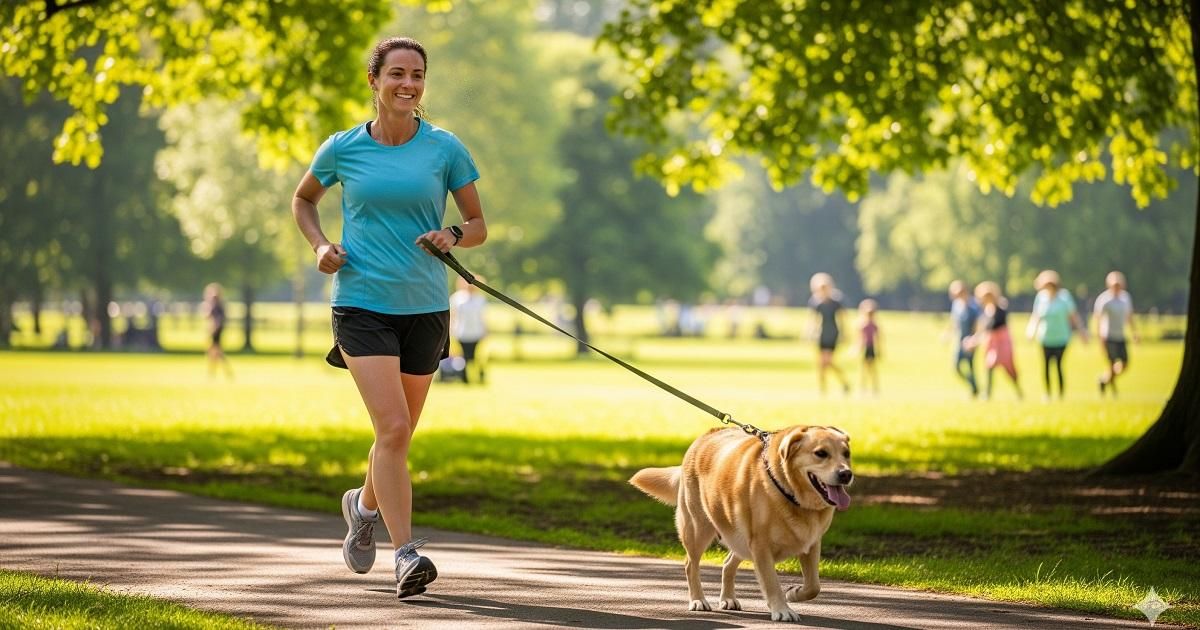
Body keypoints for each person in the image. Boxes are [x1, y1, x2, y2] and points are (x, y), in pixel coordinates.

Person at [290, 36, 486, 599]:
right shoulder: (343, 148)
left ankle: (363, 505)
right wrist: (319, 245)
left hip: (425, 307)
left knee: (396, 436)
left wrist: (451, 234)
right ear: (374, 80)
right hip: (361, 303)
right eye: (397, 73)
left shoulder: (445, 148)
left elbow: (477, 224)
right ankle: (406, 554)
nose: (408, 84)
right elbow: (303, 200)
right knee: (394, 429)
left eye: (417, 75)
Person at [1026, 270, 1088, 400]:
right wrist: (1031, 331)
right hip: (1045, 338)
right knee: (1046, 366)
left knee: (1059, 365)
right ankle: (1048, 393)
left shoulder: (1064, 297)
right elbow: (1036, 316)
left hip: (1061, 338)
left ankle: (1060, 394)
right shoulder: (1041, 297)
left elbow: (1073, 316)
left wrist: (1082, 331)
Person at [968, 281, 1023, 400]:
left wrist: (978, 338)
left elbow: (994, 325)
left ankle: (1018, 391)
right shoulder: (986, 310)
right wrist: (974, 339)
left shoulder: (1000, 308)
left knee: (1008, 368)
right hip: (992, 342)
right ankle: (988, 393)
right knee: (990, 365)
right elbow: (983, 328)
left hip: (1002, 342)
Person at [1094, 270, 1139, 397]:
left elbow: (1129, 316)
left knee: (1124, 364)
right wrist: (1100, 338)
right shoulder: (1104, 299)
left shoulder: (1126, 298)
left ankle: (1104, 380)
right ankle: (1112, 390)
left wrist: (1134, 332)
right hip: (1108, 336)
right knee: (1112, 363)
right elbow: (1098, 319)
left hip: (1120, 335)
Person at [809, 272, 850, 395]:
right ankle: (824, 388)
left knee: (826, 361)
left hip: (832, 334)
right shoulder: (817, 303)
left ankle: (842, 382)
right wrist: (811, 333)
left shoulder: (835, 302)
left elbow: (842, 318)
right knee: (822, 363)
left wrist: (844, 333)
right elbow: (813, 320)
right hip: (821, 335)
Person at [450, 276, 488, 384]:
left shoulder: (480, 299)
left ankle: (480, 376)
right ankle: (464, 378)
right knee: (463, 357)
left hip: (477, 332)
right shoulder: (457, 298)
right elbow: (453, 316)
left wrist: (486, 331)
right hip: (462, 333)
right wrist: (451, 330)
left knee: (478, 357)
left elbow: (483, 317)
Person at [947, 280, 981, 398]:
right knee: (956, 366)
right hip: (959, 340)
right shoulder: (956, 305)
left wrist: (974, 340)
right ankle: (974, 385)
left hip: (970, 341)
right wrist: (948, 334)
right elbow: (954, 322)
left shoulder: (973, 306)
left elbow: (978, 325)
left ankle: (974, 390)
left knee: (971, 366)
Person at [200, 283, 232, 379]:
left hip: (216, 331)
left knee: (216, 352)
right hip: (215, 330)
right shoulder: (219, 305)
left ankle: (215, 372)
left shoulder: (216, 306)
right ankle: (214, 372)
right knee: (214, 352)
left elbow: (214, 318)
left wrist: (213, 329)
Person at [857, 298, 881, 395]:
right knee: (864, 369)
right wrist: (858, 348)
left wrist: (879, 350)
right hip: (866, 348)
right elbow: (860, 339)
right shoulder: (863, 325)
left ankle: (874, 387)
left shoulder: (874, 326)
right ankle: (863, 387)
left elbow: (878, 338)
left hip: (871, 348)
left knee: (872, 369)